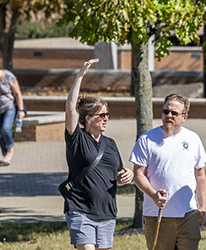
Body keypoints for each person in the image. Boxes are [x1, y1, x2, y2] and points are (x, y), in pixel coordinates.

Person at [63, 58, 133, 250]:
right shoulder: (77, 139)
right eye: (101, 115)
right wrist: (80, 76)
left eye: (107, 115)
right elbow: (70, 109)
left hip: (107, 211)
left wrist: (128, 176)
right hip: (80, 209)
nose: (106, 119)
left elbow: (116, 177)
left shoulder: (110, 144)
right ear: (87, 118)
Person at [131, 94, 206, 250]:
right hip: (157, 215)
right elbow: (138, 174)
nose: (169, 116)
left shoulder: (193, 139)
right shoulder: (147, 139)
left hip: (188, 214)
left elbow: (200, 175)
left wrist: (202, 207)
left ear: (184, 117)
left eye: (174, 113)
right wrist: (154, 195)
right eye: (166, 111)